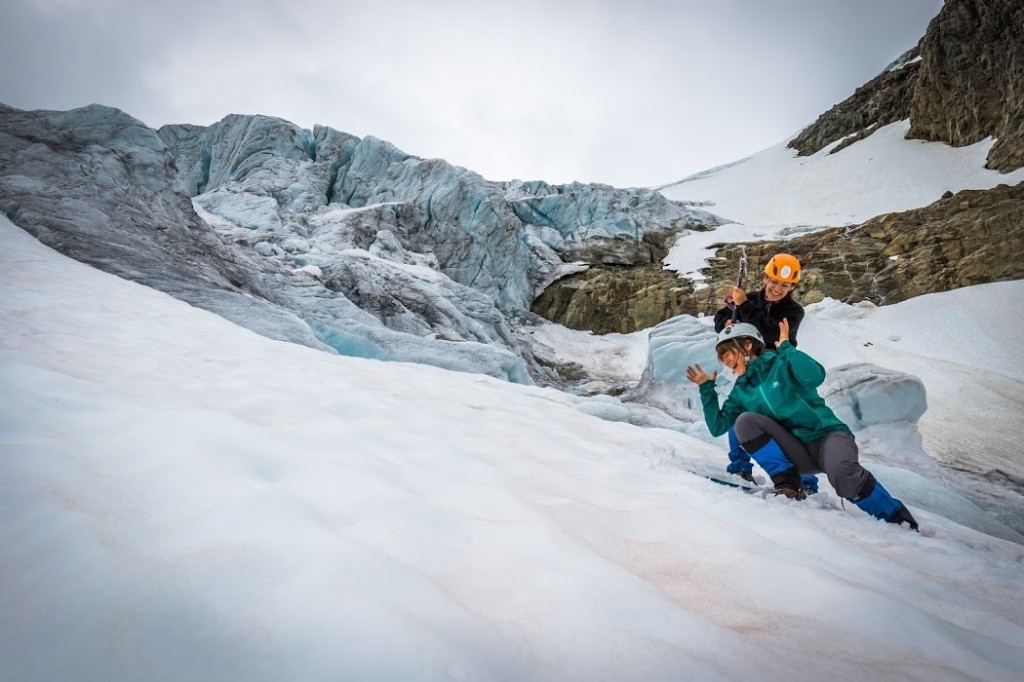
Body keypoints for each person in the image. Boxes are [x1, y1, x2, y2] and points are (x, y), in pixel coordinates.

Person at [685, 321, 918, 530]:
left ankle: (899, 520)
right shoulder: (741, 390)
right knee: (744, 422)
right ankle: (788, 485)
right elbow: (718, 426)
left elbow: (816, 375)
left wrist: (786, 348)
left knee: (844, 477)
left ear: (747, 345)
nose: (724, 360)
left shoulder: (780, 364)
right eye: (721, 356)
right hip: (796, 452)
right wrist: (707, 389)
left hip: (827, 437)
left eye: (727, 352)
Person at [713, 253, 818, 492]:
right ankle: (740, 468)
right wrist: (725, 324)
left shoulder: (793, 312)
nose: (777, 288)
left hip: (780, 374)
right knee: (737, 416)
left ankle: (806, 480)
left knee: (789, 422)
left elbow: (770, 332)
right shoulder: (748, 300)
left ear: (792, 286)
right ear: (766, 277)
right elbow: (721, 315)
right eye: (774, 281)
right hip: (750, 370)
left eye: (784, 285)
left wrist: (743, 306)